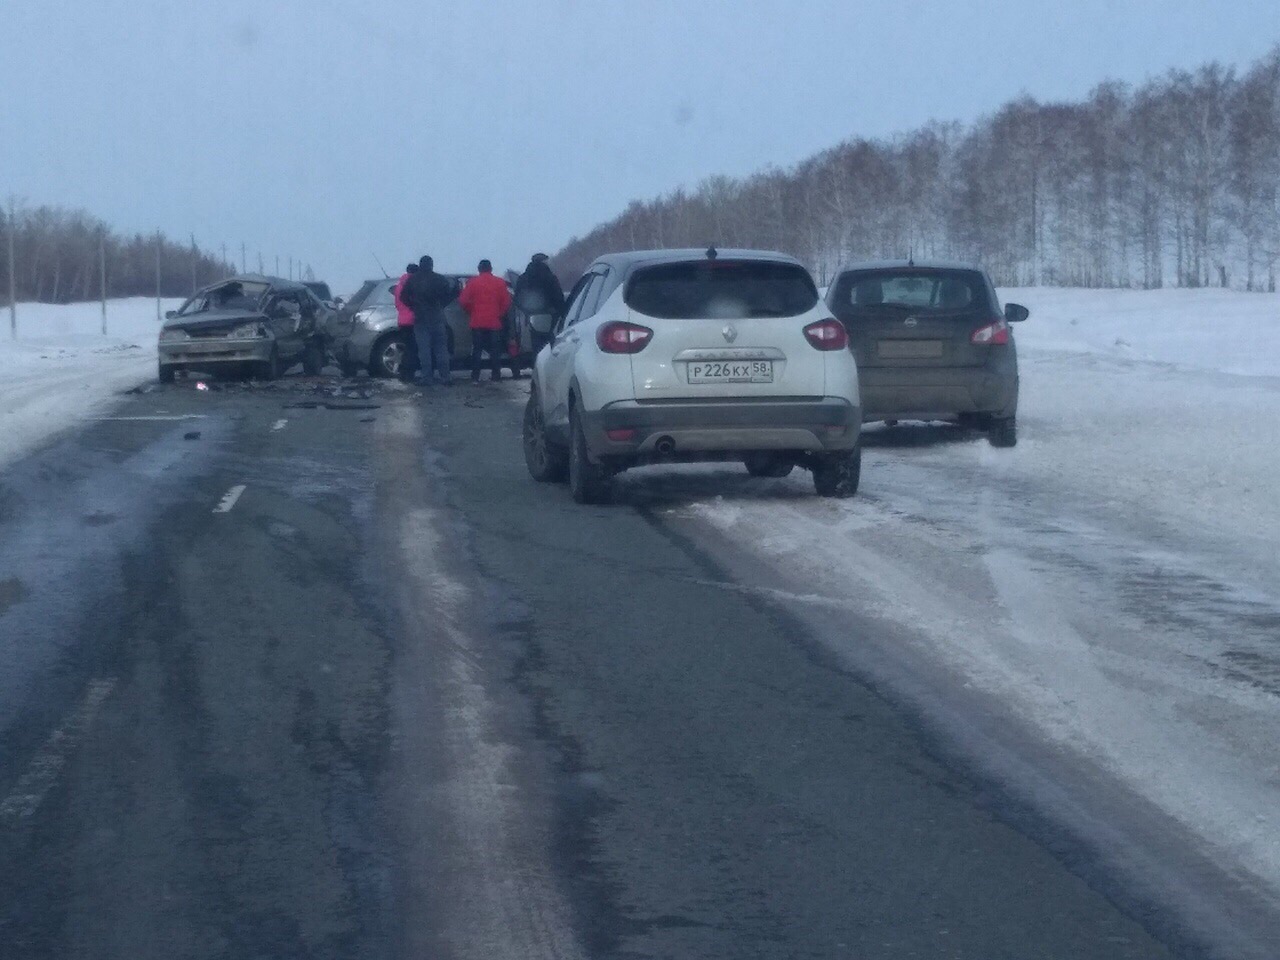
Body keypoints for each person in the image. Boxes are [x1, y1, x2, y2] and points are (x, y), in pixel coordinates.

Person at [399, 255, 456, 386]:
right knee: (441, 349)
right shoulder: (440, 279)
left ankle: (426, 378)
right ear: (432, 265)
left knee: (424, 350)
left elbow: (403, 297)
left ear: (420, 265)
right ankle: (445, 377)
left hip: (420, 318)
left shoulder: (413, 280)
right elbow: (448, 295)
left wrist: (413, 306)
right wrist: (441, 305)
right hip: (437, 317)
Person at [458, 259, 513, 382]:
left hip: (477, 321)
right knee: (495, 350)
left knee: (477, 349)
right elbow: (507, 301)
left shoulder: (472, 282)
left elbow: (463, 301)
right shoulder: (499, 282)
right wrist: (500, 313)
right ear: (491, 269)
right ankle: (496, 375)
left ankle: (475, 377)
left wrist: (470, 311)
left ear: (479, 269)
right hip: (494, 321)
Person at [515, 253, 565, 357]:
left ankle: (537, 366)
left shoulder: (523, 278)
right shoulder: (550, 277)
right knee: (552, 344)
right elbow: (558, 296)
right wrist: (561, 311)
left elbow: (517, 298)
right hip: (550, 316)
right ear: (543, 261)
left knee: (536, 347)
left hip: (530, 317)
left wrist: (526, 310)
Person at [393, 263, 418, 380]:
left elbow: (397, 304)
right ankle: (408, 374)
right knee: (413, 348)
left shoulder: (399, 285)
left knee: (406, 347)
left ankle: (403, 372)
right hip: (413, 319)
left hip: (402, 320)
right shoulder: (413, 284)